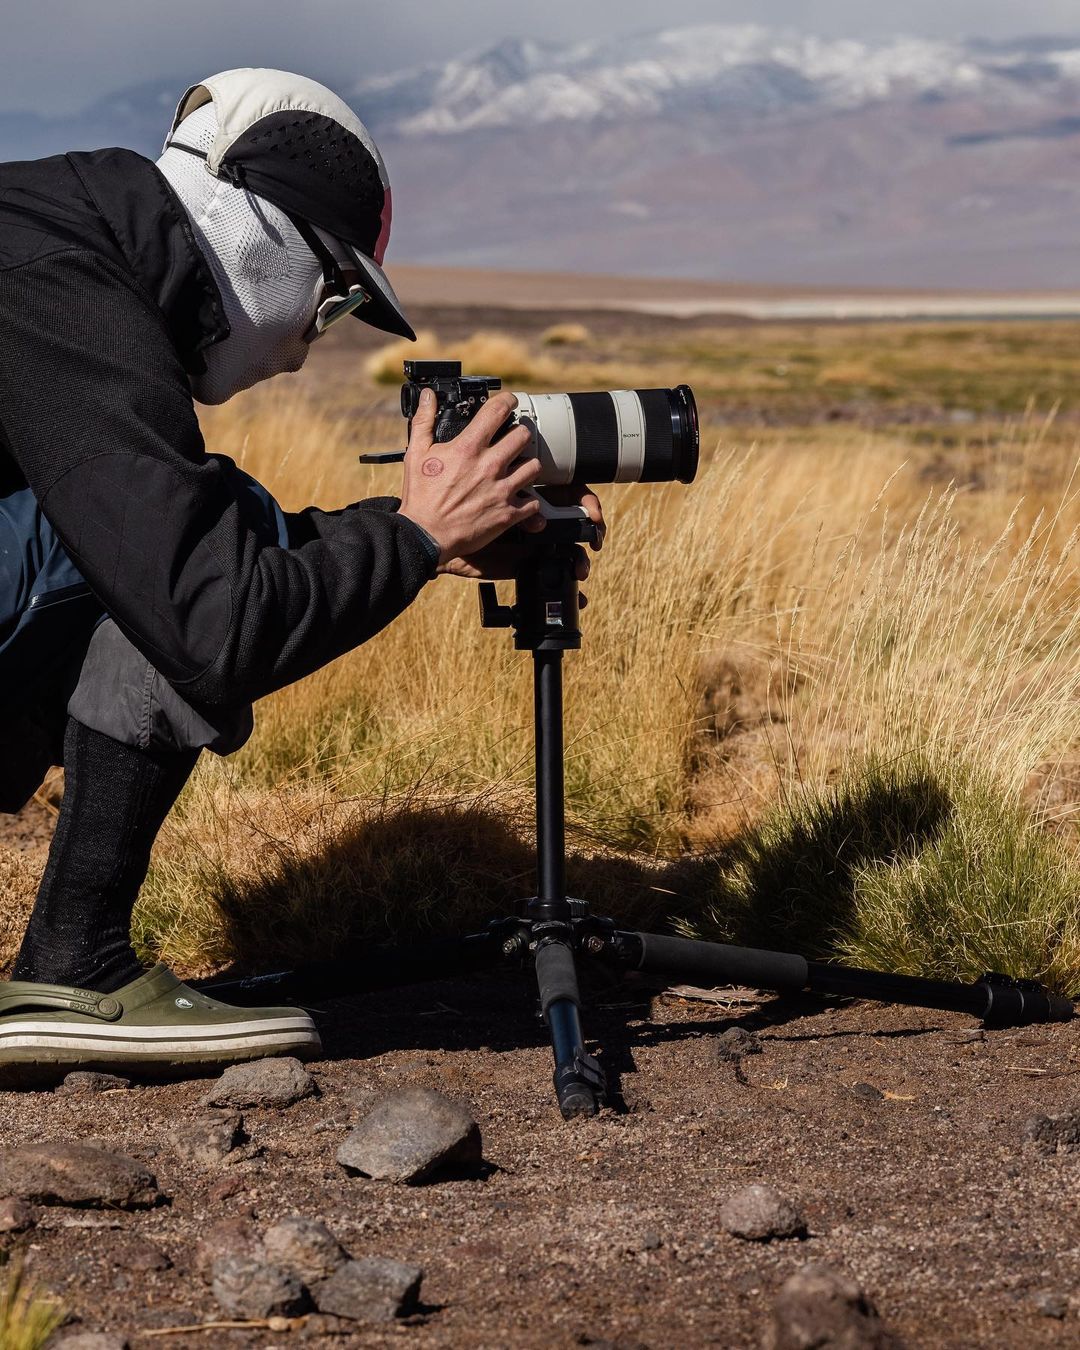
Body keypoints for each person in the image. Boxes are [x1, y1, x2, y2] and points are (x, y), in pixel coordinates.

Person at [0, 69, 603, 1077]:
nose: (305, 347)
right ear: (258, 235)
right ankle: (76, 968)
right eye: (333, 302)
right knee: (176, 561)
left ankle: (72, 963)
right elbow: (213, 618)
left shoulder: (58, 238)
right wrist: (412, 540)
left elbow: (188, 554)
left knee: (176, 539)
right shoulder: (57, 280)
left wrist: (417, 533)